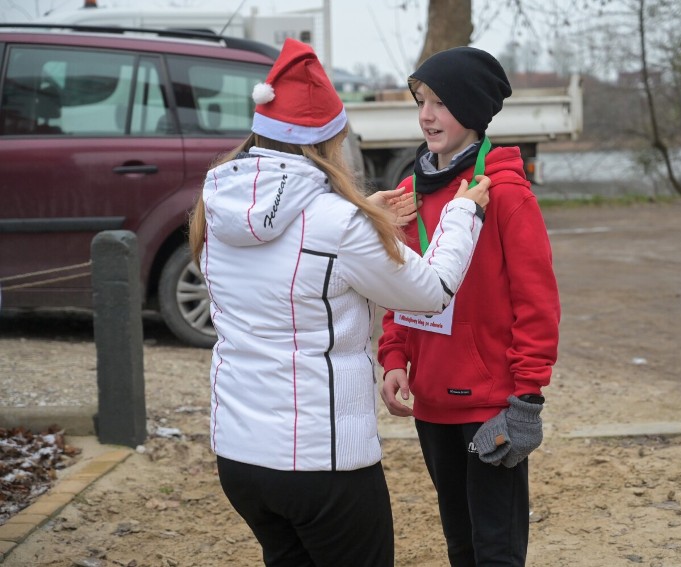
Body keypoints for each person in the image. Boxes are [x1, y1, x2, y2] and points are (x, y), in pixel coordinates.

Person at [187, 38, 492, 567]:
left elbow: (292, 249)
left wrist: (365, 219)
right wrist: (463, 214)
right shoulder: (338, 224)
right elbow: (431, 290)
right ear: (327, 142)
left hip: (240, 457)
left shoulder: (216, 204)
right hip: (320, 464)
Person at [377, 46, 561, 566]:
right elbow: (401, 288)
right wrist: (394, 358)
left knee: (496, 553)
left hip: (491, 407)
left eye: (442, 103)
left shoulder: (505, 193)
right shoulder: (410, 192)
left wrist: (527, 399)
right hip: (431, 404)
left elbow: (538, 303)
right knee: (460, 546)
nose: (427, 115)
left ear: (475, 112)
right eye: (421, 101)